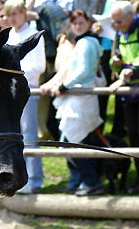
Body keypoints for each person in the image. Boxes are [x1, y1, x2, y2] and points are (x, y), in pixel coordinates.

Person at [40, 10, 103, 196]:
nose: (77, 25)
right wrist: (51, 84)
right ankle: (82, 181)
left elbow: (84, 72)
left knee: (71, 141)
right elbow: (68, 69)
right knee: (72, 140)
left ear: (89, 22)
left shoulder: (85, 43)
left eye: (81, 22)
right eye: (74, 23)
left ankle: (92, 181)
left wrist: (64, 86)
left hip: (80, 97)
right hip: (77, 97)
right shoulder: (83, 42)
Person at [107, 0, 139, 194]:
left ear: (130, 16)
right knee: (133, 137)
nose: (115, 26)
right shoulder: (119, 33)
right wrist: (115, 63)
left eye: (118, 22)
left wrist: (129, 72)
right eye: (114, 22)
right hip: (127, 94)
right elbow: (114, 62)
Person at [5, 0, 46, 194]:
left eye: (15, 13)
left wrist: (13, 72)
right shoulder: (8, 35)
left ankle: (34, 179)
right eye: (8, 14)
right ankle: (18, 177)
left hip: (28, 89)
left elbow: (39, 66)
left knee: (29, 134)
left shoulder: (34, 35)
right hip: (8, 93)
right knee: (13, 136)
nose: (11, 18)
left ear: (23, 13)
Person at [93, 0, 127, 137]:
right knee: (102, 94)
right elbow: (94, 24)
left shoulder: (128, 1)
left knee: (121, 95)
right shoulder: (100, 2)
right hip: (103, 52)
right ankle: (99, 134)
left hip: (122, 52)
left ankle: (118, 133)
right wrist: (96, 28)